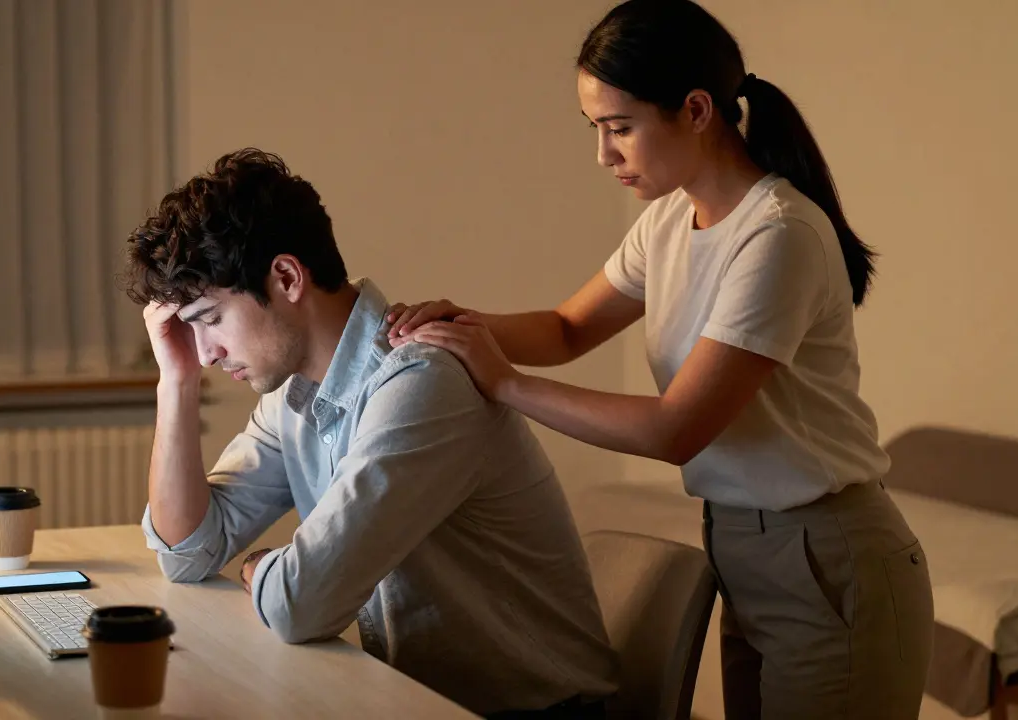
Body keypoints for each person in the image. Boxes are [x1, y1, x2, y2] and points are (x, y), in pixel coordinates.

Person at [386, 1, 933, 718]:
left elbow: (677, 429)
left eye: (620, 128)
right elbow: (566, 327)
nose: (604, 154)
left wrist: (505, 383)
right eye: (597, 130)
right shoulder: (670, 221)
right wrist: (458, 322)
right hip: (744, 546)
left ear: (697, 110)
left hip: (829, 557)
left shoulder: (777, 237)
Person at [119, 148, 620, 718]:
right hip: (409, 702)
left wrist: (262, 568)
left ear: (286, 277)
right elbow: (186, 552)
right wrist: (175, 380)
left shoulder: (422, 384)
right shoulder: (294, 392)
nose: (205, 352)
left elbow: (298, 606)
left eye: (209, 319)